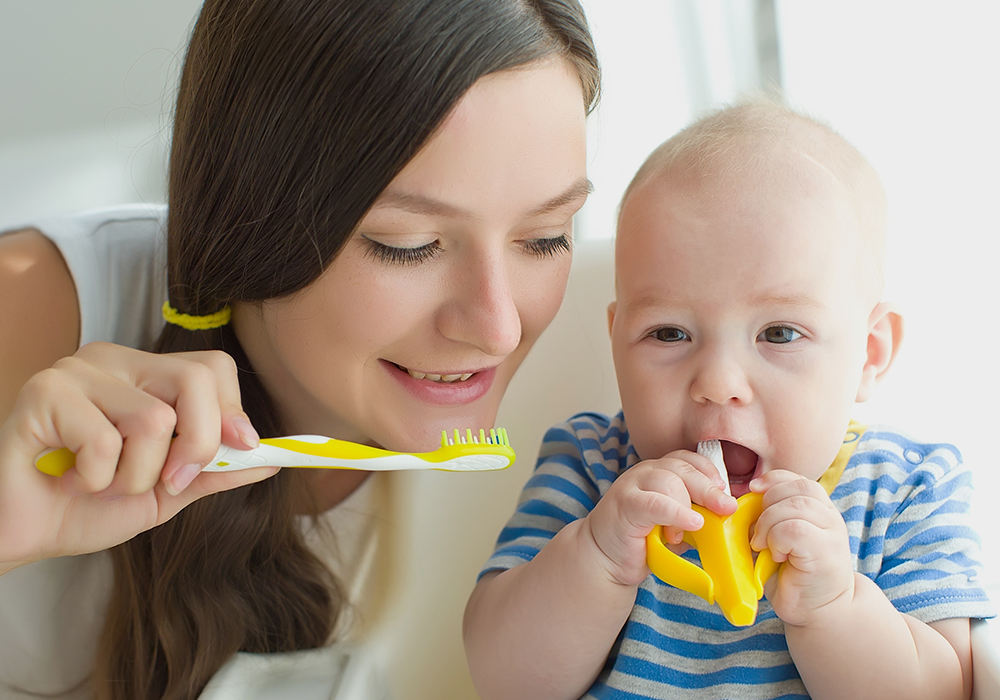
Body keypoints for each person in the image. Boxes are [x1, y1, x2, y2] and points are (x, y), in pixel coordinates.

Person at [0, 0, 600, 698]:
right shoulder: (38, 309)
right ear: (249, 211)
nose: (497, 329)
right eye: (408, 246)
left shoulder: (593, 420)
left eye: (547, 236)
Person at [463, 99, 994, 700]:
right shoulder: (591, 465)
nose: (718, 382)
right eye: (669, 333)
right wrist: (599, 556)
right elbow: (500, 679)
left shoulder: (908, 489)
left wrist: (836, 607)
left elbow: (951, 690)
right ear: (617, 342)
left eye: (779, 334)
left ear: (869, 355)